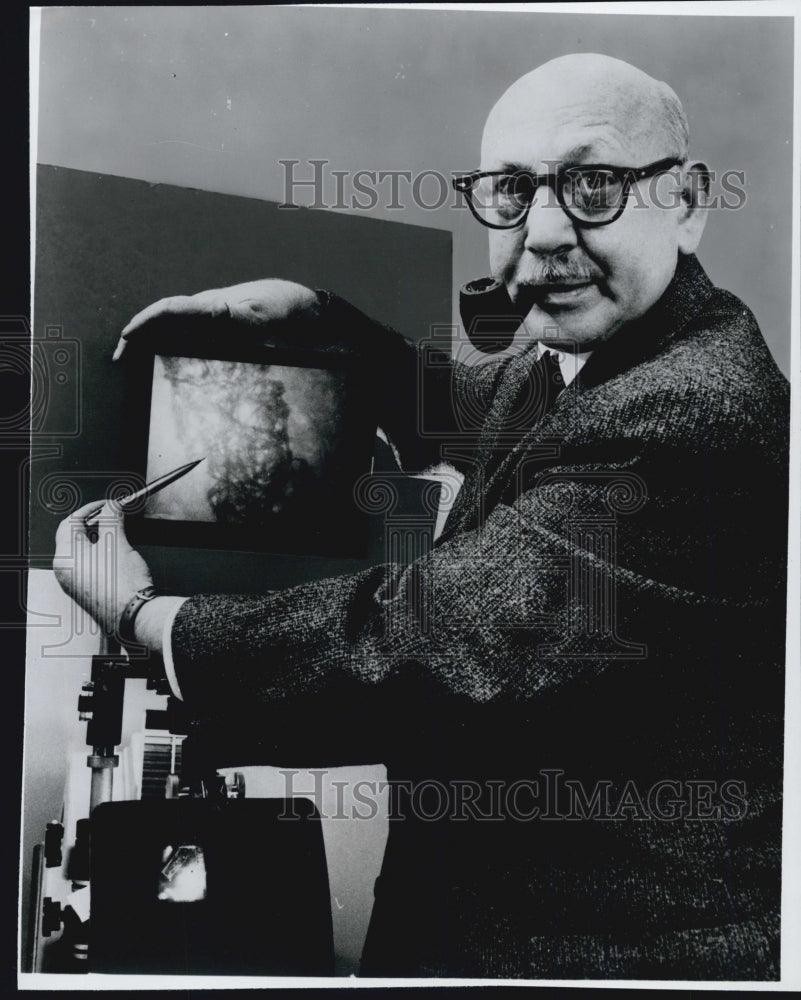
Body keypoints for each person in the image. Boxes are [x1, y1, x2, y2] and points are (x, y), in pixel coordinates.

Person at [54, 53, 788, 979]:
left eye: (593, 184)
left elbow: (430, 643)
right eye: (513, 191)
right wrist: (312, 313)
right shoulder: (579, 351)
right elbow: (465, 404)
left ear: (685, 201)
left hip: (601, 961)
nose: (547, 232)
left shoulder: (691, 409)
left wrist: (146, 617)